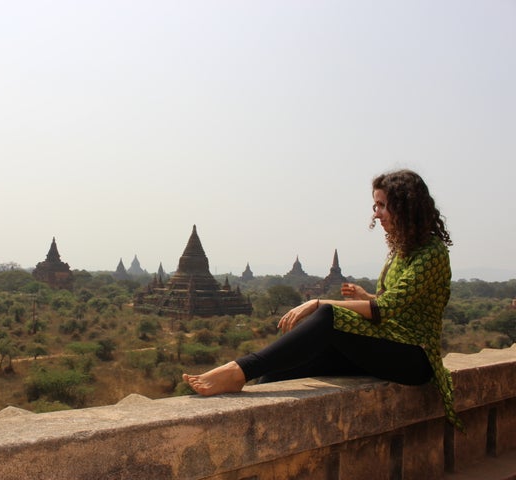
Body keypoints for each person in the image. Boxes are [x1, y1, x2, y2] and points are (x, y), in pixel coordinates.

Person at [183, 169, 462, 429]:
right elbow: (393, 302)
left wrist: (318, 303)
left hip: (414, 357)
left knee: (327, 317)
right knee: (284, 368)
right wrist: (368, 297)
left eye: (383, 206)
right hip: (388, 343)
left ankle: (238, 370)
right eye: (375, 206)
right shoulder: (399, 252)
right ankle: (254, 414)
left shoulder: (431, 253)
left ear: (406, 207)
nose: (377, 214)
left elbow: (386, 309)